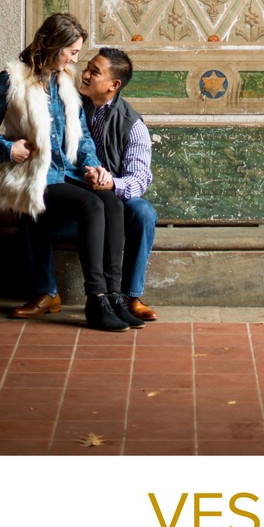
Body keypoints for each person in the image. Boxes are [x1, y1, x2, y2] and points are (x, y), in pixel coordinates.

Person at [0, 13, 143, 331]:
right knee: (91, 204)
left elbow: (82, 137)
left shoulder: (64, 84)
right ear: (55, 46)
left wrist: (93, 166)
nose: (76, 59)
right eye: (73, 52)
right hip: (36, 176)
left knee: (111, 201)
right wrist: (7, 148)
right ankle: (95, 299)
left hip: (70, 174)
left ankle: (114, 296)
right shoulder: (11, 78)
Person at [80, 46, 159, 321]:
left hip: (114, 197)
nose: (86, 74)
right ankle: (46, 292)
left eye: (94, 71)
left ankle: (129, 297)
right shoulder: (71, 105)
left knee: (144, 211)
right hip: (75, 191)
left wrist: (109, 183)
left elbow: (138, 181)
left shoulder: (133, 125)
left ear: (114, 85)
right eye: (87, 67)